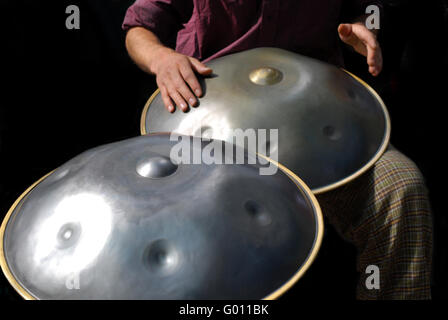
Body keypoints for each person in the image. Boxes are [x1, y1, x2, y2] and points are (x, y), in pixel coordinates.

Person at [122, 0, 433, 299]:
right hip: (216, 131)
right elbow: (139, 25)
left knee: (401, 186)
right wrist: (161, 58)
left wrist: (366, 28)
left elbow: (368, 10)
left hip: (317, 128)